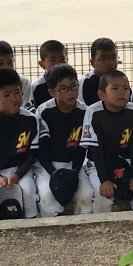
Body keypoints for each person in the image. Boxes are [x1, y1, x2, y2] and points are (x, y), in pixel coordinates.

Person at [33, 64, 93, 217]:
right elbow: (41, 148)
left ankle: (83, 227)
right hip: (48, 165)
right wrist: (53, 172)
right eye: (63, 88)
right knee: (47, 195)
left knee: (85, 195)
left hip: (74, 164)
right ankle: (53, 228)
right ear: (52, 92)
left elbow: (82, 147)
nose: (70, 92)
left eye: (73, 86)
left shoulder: (85, 111)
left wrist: (74, 171)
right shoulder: (44, 111)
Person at [80, 70, 133, 213]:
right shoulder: (93, 111)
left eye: (125, 88)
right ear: (102, 94)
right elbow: (96, 150)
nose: (121, 92)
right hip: (98, 163)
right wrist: (104, 180)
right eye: (114, 88)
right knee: (102, 195)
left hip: (127, 160)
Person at [0, 68, 39, 221]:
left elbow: (31, 155)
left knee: (28, 191)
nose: (14, 99)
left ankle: (31, 225)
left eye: (17, 92)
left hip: (21, 170)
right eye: (6, 95)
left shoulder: (30, 119)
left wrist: (17, 175)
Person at [0, 40, 34, 115]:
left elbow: (27, 110)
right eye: (0, 64)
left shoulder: (23, 82)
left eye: (10, 62)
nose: (6, 67)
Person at [79, 38, 118, 106]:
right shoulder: (85, 83)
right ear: (92, 63)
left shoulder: (121, 80)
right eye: (103, 59)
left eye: (113, 58)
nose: (110, 63)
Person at [31, 40, 68, 109]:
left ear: (67, 60)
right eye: (53, 60)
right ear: (42, 64)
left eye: (62, 59)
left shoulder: (73, 84)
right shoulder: (36, 88)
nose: (58, 63)